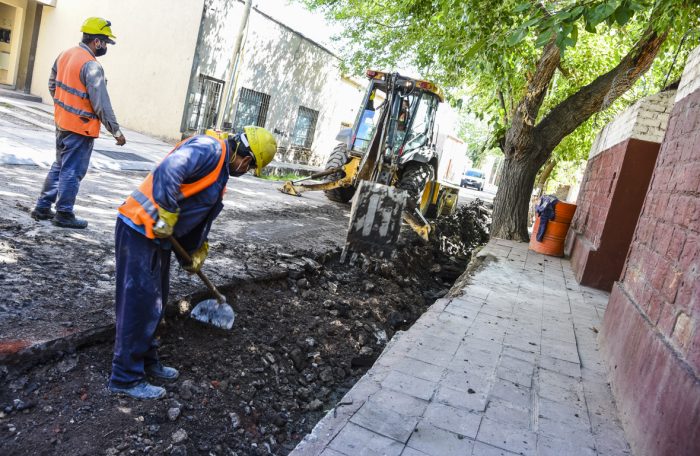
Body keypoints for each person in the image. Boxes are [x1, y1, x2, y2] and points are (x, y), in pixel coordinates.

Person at [108, 126, 277, 400]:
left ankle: (147, 361)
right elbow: (170, 170)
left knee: (155, 304)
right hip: (139, 228)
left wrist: (193, 252)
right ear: (246, 159)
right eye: (250, 167)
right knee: (138, 305)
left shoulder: (221, 171)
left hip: (158, 236)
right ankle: (125, 377)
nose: (245, 171)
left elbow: (196, 210)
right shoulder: (210, 150)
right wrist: (167, 210)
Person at [30, 17, 126, 229]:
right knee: (72, 171)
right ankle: (64, 213)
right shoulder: (91, 65)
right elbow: (101, 102)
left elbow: (52, 84)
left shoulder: (66, 54)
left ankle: (43, 207)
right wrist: (116, 131)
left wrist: (63, 107)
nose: (106, 47)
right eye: (106, 42)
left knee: (60, 166)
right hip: (80, 128)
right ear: (97, 41)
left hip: (63, 122)